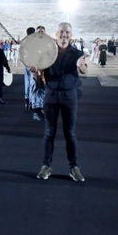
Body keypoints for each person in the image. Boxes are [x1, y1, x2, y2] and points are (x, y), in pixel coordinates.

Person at [31, 22, 88, 182]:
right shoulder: (47, 52)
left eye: (67, 32)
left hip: (70, 96)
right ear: (56, 33)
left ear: (71, 34)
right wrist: (35, 72)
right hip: (51, 95)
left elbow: (84, 70)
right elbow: (39, 78)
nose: (64, 34)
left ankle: (74, 167)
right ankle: (46, 166)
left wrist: (81, 66)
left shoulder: (77, 53)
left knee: (70, 133)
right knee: (49, 132)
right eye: (61, 31)